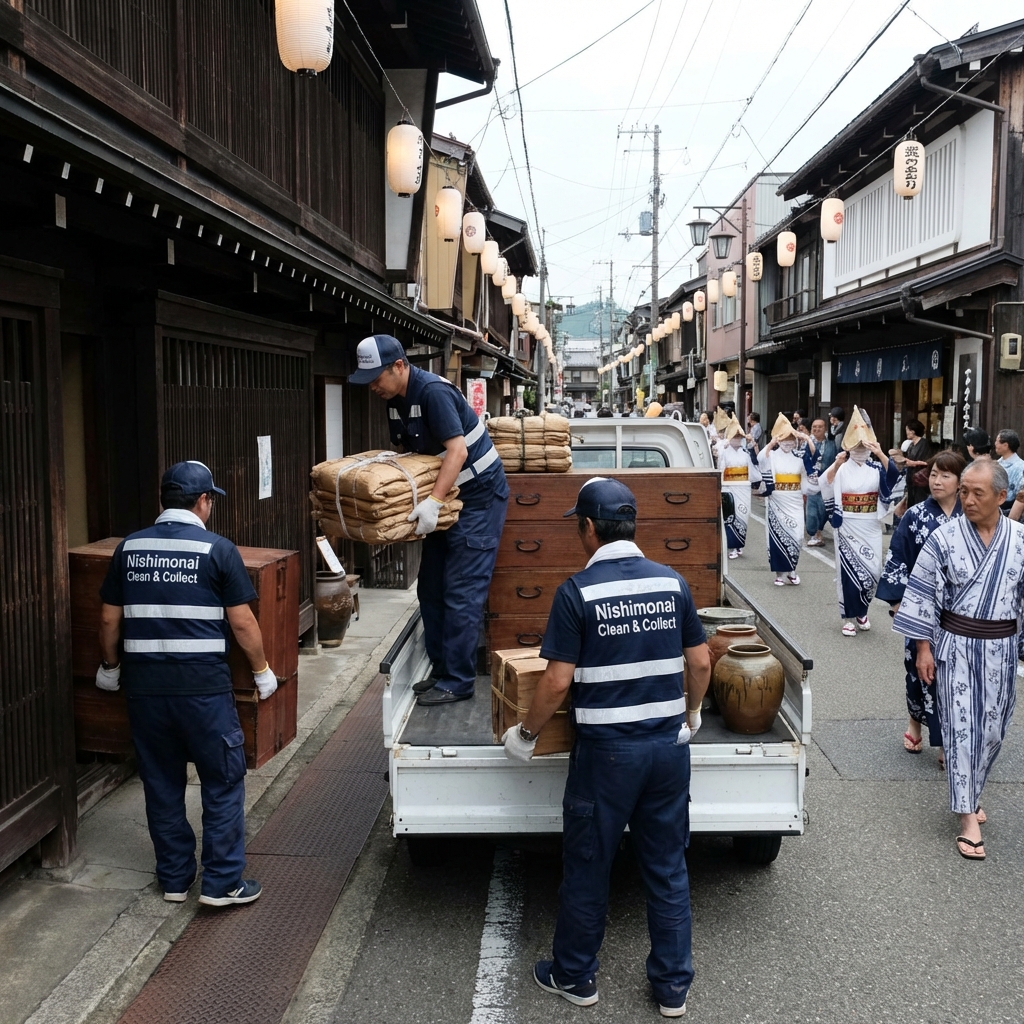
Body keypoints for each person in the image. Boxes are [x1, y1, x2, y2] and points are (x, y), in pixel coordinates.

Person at [503, 477, 710, 1016]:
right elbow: (702, 661)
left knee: (589, 866)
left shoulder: (578, 593)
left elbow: (554, 681)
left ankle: (574, 976)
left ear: (588, 528)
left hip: (606, 757)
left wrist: (525, 735)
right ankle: (671, 989)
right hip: (668, 750)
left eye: (579, 524)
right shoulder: (673, 584)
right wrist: (690, 713)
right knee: (666, 868)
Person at [96, 461, 276, 907]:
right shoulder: (218, 550)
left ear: (162, 501)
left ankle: (175, 879)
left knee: (160, 783)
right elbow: (243, 622)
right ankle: (221, 884)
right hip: (204, 692)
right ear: (203, 502)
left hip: (145, 690)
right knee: (222, 780)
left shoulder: (129, 549)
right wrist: (262, 672)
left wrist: (109, 668)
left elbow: (107, 617)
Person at [349, 334, 509, 706]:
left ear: (400, 366)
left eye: (377, 377)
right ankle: (441, 670)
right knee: (431, 587)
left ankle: (458, 679)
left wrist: (434, 502)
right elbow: (414, 454)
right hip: (445, 498)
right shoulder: (395, 401)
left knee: (460, 590)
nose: (372, 386)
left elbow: (457, 450)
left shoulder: (432, 393)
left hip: (478, 497)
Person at [893, 460, 1024, 861]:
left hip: (1001, 649)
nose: (967, 499)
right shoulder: (943, 538)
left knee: (993, 731)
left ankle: (971, 790)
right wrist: (923, 648)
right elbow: (920, 594)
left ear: (1001, 497)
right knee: (962, 730)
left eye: (976, 493)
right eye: (963, 491)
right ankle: (967, 816)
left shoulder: (1019, 539)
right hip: (956, 647)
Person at [877, 450, 965, 758]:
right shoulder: (915, 515)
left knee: (955, 675)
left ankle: (946, 741)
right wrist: (898, 600)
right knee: (919, 670)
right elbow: (898, 557)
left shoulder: (971, 514)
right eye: (934, 475)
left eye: (946, 476)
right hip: (921, 606)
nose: (937, 481)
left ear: (960, 482)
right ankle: (914, 721)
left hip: (960, 610)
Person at [821, 406, 899, 636]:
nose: (861, 450)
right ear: (849, 447)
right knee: (848, 570)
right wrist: (836, 464)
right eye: (857, 446)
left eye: (865, 446)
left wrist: (881, 453)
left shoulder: (876, 468)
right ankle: (848, 616)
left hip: (870, 524)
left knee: (873, 571)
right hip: (847, 524)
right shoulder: (842, 468)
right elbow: (824, 483)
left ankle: (862, 609)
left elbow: (893, 478)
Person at [758, 414, 812, 586]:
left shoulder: (799, 457)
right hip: (777, 502)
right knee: (777, 538)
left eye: (791, 439)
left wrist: (807, 439)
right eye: (785, 439)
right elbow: (761, 458)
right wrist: (772, 443)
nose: (788, 442)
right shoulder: (772, 455)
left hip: (795, 500)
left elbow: (812, 461)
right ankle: (779, 574)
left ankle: (792, 570)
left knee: (796, 537)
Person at [719, 420, 762, 560]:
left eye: (739, 437)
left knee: (743, 515)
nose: (737, 440)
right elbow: (720, 469)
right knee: (731, 517)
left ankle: (739, 545)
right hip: (729, 487)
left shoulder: (745, 453)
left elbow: (754, 465)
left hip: (743, 487)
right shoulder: (724, 452)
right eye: (734, 437)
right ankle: (731, 546)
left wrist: (753, 444)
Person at [804, 418, 836, 547]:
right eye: (814, 427)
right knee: (811, 510)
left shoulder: (832, 444)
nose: (816, 429)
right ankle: (814, 533)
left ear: (825, 429)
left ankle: (818, 532)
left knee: (823, 509)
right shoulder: (806, 443)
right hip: (812, 482)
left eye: (820, 427)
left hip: (827, 482)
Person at [901, 419, 936, 508]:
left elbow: (928, 462)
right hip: (911, 479)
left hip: (921, 480)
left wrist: (913, 463)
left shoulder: (924, 444)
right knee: (911, 503)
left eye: (907, 430)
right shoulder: (911, 445)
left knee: (919, 503)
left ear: (913, 432)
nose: (906, 433)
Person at [994, 428, 1023, 509]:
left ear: (1006, 445)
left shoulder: (1020, 467)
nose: (995, 443)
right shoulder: (996, 464)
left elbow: (1020, 498)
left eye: (997, 441)